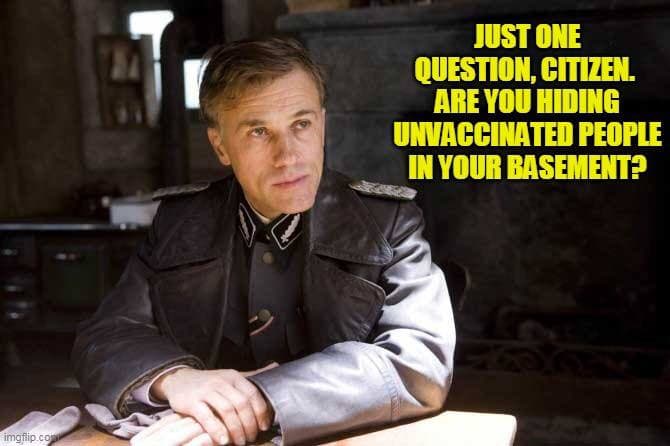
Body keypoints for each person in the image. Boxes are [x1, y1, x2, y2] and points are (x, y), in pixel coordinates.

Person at [71, 36, 456, 446]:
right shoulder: (179, 221)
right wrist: (175, 379)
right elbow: (105, 335)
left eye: (301, 124)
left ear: (322, 125)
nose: (288, 156)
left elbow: (421, 361)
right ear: (220, 146)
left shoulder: (388, 222)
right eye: (258, 131)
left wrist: (263, 396)